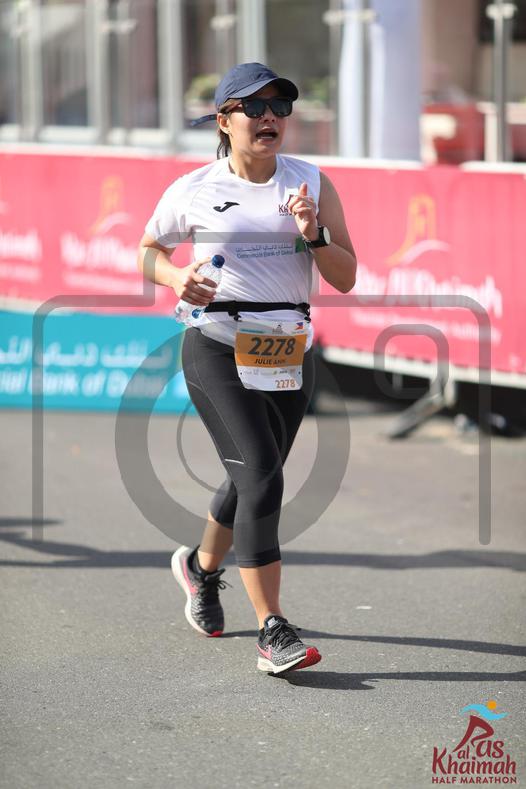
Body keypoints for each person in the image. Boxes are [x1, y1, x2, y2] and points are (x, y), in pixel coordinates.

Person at [137, 62, 357, 675]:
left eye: (279, 107)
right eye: (254, 107)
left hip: (288, 352)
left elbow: (345, 277)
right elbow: (149, 251)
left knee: (251, 477)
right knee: (262, 476)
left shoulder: (311, 181)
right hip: (217, 346)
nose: (269, 118)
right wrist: (176, 276)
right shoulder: (194, 188)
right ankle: (272, 629)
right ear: (224, 120)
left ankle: (200, 569)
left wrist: (314, 234)